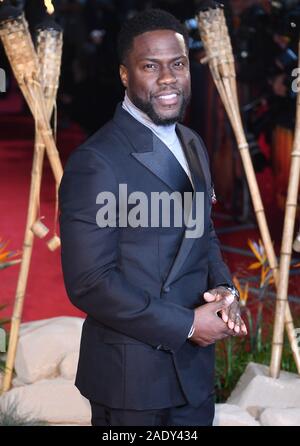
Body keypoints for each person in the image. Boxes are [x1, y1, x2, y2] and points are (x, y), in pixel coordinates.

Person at [59, 8, 247, 427]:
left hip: (194, 375)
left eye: (177, 64)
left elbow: (204, 233)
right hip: (133, 380)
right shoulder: (96, 161)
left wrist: (223, 289)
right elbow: (90, 283)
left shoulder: (192, 142)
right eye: (151, 66)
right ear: (125, 74)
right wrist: (185, 326)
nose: (168, 78)